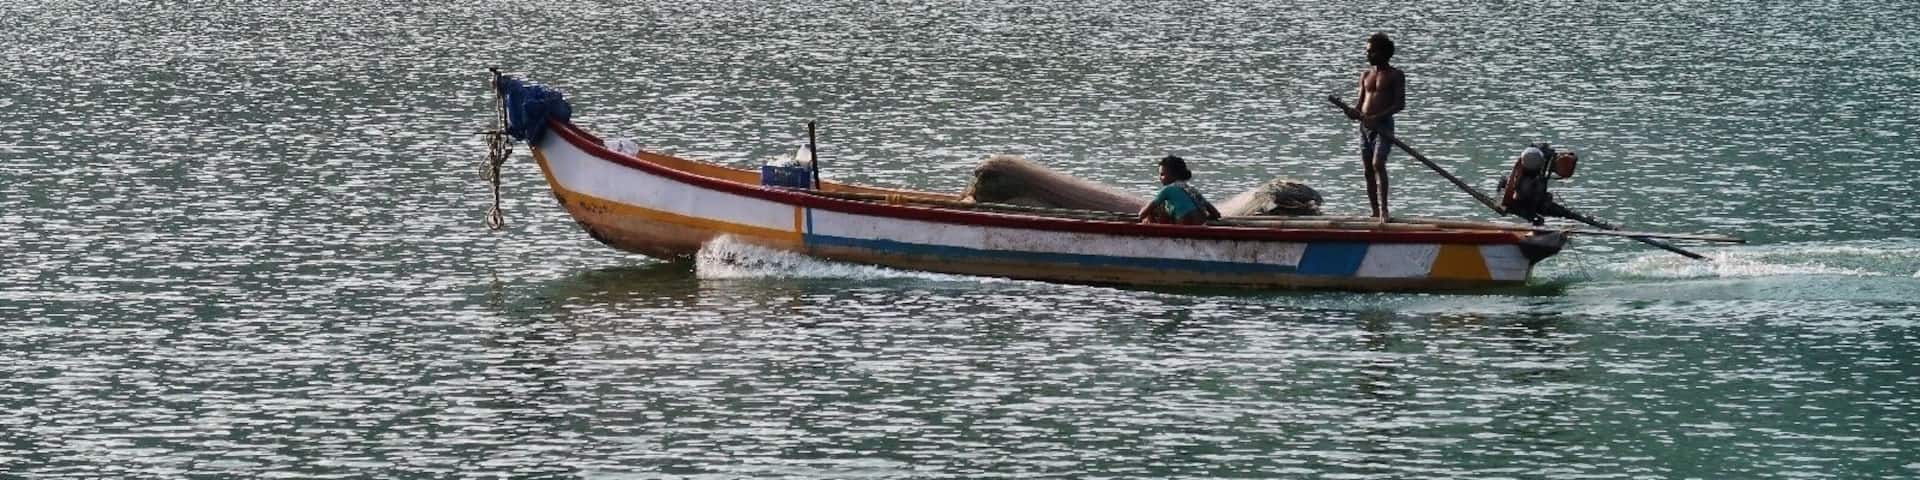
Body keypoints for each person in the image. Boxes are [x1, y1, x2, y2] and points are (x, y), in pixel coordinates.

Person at [1349, 32, 1406, 220]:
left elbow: (1399, 104)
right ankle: (1374, 211)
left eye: (1371, 52)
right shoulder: (1365, 75)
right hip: (1365, 127)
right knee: (1367, 169)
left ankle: (1384, 211)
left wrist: (1376, 117)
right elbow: (1359, 105)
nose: (1367, 55)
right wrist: (1352, 113)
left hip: (1383, 126)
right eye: (1367, 51)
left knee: (1378, 164)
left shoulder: (1396, 75)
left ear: (1382, 53)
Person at [1499, 144, 1579, 225]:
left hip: (1534, 203)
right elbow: (1509, 192)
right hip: (1522, 204)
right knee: (1540, 217)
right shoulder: (1523, 171)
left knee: (1565, 212)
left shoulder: (1529, 168)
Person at [1138, 155, 1221, 225]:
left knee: (1153, 210)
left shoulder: (1167, 190)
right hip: (1201, 227)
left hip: (1184, 229)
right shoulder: (1191, 190)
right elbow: (1216, 214)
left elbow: (1141, 214)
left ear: (1174, 175)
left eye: (1162, 174)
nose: (1159, 178)